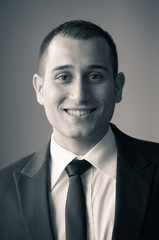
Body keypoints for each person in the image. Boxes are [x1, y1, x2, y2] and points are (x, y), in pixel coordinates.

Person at [0, 20, 159, 240]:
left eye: (95, 76)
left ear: (117, 87)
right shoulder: (2, 189)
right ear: (39, 89)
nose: (79, 95)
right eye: (63, 77)